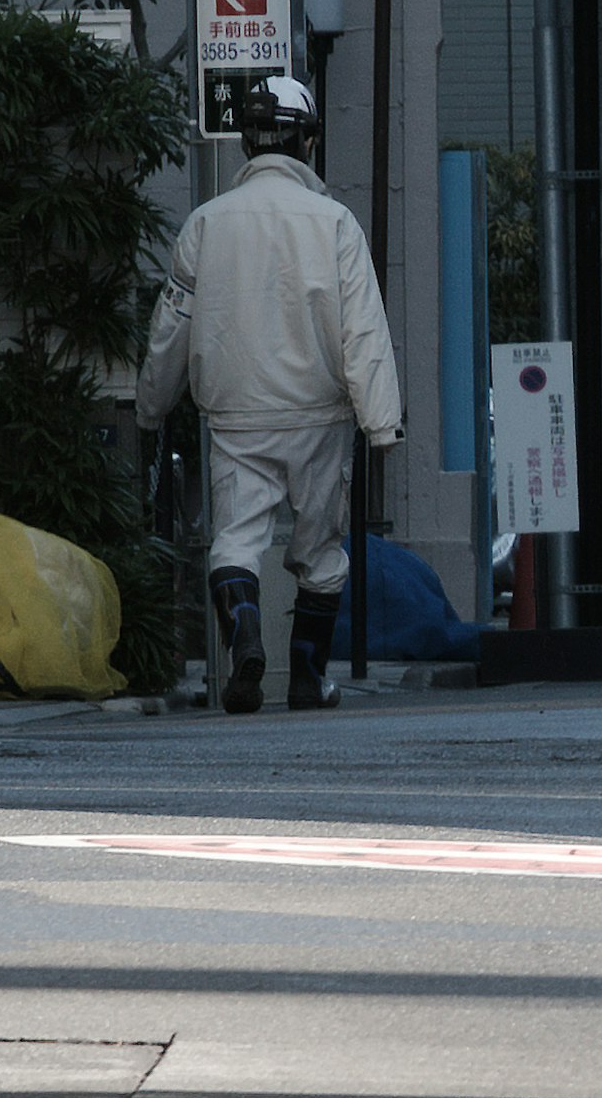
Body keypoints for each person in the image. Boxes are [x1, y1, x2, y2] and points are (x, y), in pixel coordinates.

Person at [138, 75, 403, 713]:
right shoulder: (334, 223)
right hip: (319, 413)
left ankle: (246, 638)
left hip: (234, 415)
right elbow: (362, 327)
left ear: (247, 145)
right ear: (307, 141)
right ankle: (309, 677)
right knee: (319, 550)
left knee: (235, 540)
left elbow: (171, 327)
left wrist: (152, 406)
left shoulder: (206, 224)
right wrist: (381, 423)